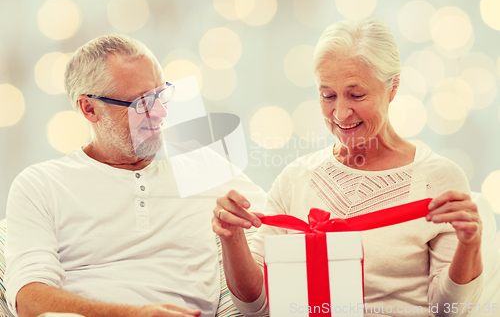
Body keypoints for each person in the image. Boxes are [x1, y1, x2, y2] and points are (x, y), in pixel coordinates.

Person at [213, 19, 483, 317]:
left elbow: (451, 311)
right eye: (328, 95)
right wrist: (232, 238)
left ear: (392, 87)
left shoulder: (439, 179)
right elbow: (257, 308)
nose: (340, 113)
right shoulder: (295, 179)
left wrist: (469, 245)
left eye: (356, 95)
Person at [5, 34, 265, 317]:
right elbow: (28, 299)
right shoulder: (41, 185)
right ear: (89, 108)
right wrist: (131, 314)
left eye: (161, 95)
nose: (161, 112)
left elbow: (286, 228)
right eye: (142, 103)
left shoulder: (203, 167)